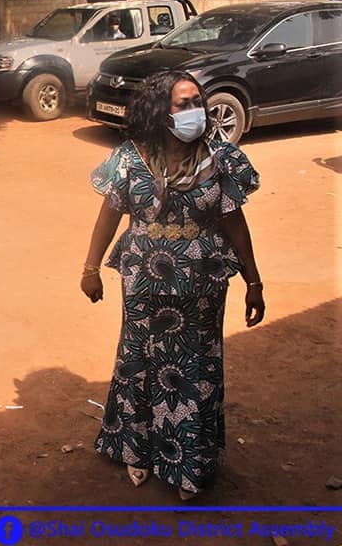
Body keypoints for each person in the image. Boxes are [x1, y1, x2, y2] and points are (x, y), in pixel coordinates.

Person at [80, 70, 265, 500]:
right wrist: (90, 268)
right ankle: (136, 450)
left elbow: (235, 222)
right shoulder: (130, 159)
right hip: (143, 280)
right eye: (183, 104)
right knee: (139, 361)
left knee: (195, 369)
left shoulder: (221, 160)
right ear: (161, 111)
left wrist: (253, 281)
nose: (194, 111)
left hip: (203, 284)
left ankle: (188, 462)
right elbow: (109, 214)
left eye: (197, 102)